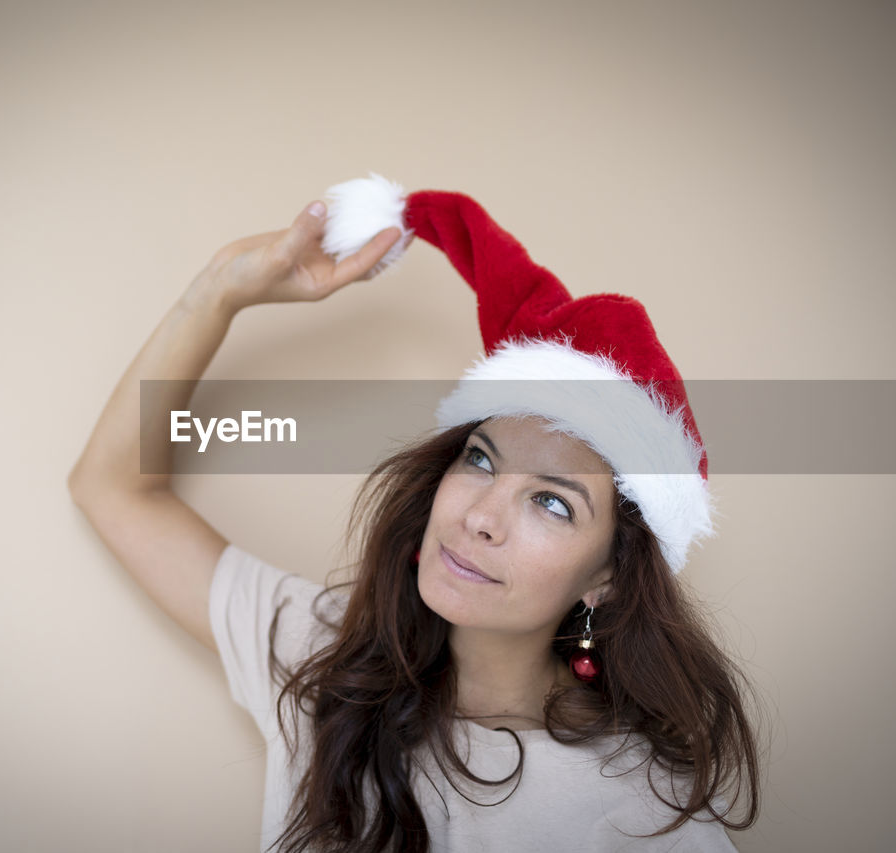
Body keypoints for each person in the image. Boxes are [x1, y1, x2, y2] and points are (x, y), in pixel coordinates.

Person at [68, 175, 761, 852]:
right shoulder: (323, 657)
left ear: (605, 577)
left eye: (552, 502)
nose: (481, 517)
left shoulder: (642, 813)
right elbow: (111, 486)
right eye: (482, 460)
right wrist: (219, 289)